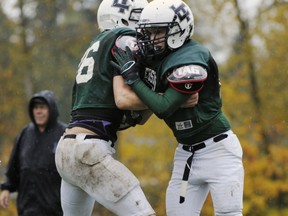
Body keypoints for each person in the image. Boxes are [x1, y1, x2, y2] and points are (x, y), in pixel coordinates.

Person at [111, 0, 244, 215]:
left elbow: (163, 107)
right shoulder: (157, 57)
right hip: (185, 151)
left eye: (157, 31)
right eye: (148, 32)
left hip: (218, 149)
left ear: (178, 30)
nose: (151, 38)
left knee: (229, 213)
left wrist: (135, 80)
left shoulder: (191, 56)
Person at [54, 0, 156, 215]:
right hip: (88, 149)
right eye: (139, 16)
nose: (145, 26)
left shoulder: (97, 45)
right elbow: (124, 100)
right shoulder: (122, 39)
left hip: (66, 148)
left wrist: (156, 101)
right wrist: (163, 97)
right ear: (123, 18)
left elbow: (136, 117)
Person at [0, 90, 66, 216]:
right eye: (35, 108)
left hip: (55, 210)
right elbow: (14, 166)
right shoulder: (25, 133)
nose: (38, 111)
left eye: (42, 107)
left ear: (51, 109)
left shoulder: (64, 134)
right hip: (27, 208)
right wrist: (6, 189)